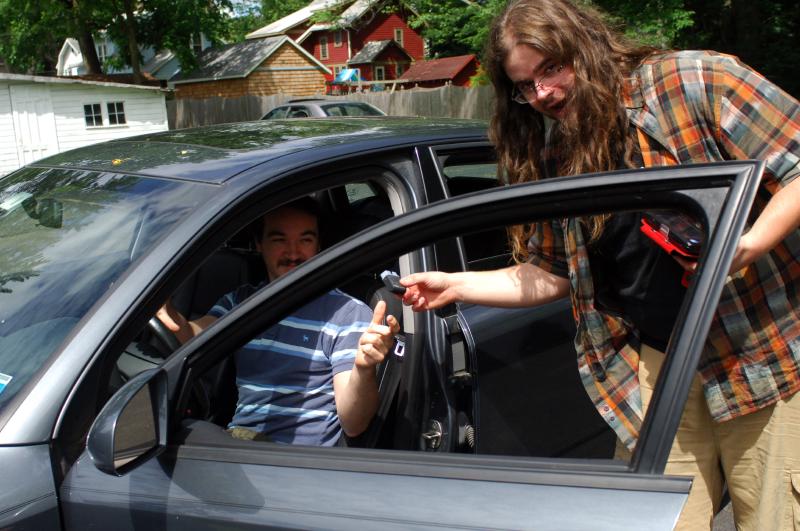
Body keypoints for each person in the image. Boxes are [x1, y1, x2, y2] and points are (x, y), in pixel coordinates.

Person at [400, 1, 800, 529]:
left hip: (763, 351)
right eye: (526, 84)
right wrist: (455, 283)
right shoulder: (558, 156)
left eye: (551, 68)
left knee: (772, 518)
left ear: (588, 48)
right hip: (660, 363)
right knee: (657, 520)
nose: (542, 94)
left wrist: (745, 245)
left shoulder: (695, 82)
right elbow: (550, 273)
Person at [157, 197, 399, 447]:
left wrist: (364, 367)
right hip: (239, 443)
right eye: (279, 239)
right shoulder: (241, 302)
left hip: (292, 462)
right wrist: (173, 318)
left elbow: (354, 423)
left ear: (318, 246)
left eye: (305, 240)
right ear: (258, 244)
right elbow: (198, 334)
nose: (293, 253)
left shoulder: (347, 314)